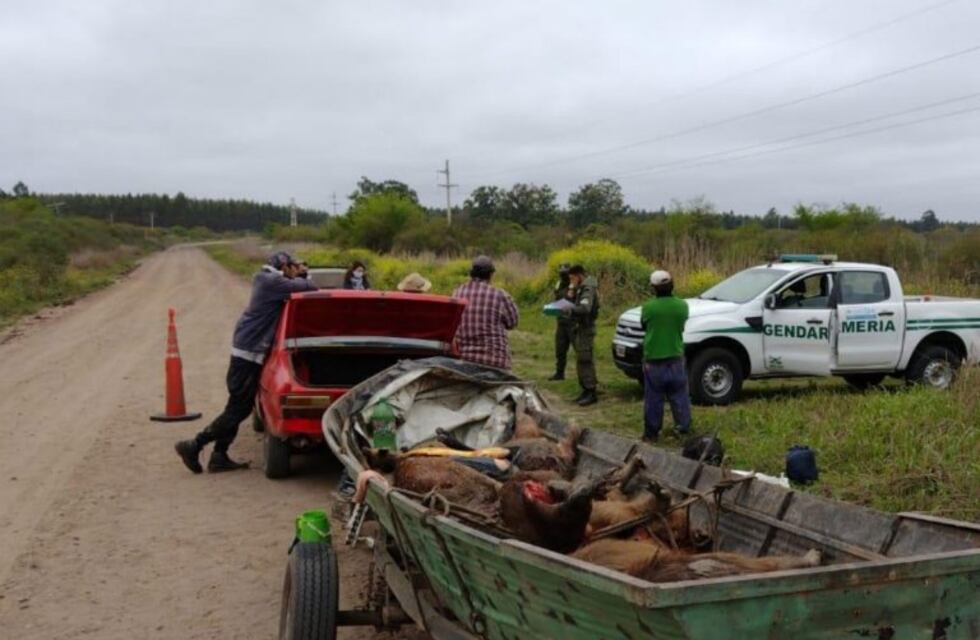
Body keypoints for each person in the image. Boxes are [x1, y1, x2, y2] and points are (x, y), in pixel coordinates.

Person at [174, 252, 318, 473]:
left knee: (237, 405)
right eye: (294, 266)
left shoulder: (269, 280)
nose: (297, 269)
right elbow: (309, 288)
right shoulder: (271, 281)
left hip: (248, 352)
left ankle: (219, 456)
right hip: (247, 354)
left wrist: (299, 272)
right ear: (285, 267)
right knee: (238, 409)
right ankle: (195, 444)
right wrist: (304, 274)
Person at [640, 270, 691, 442]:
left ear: (654, 288)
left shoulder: (648, 307)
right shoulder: (682, 306)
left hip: (654, 359)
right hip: (676, 356)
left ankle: (652, 433)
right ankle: (683, 429)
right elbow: (681, 325)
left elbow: (644, 326)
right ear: (672, 285)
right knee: (680, 395)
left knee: (653, 398)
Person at [452, 255, 519, 370]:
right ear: (490, 275)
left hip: (464, 360)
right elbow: (513, 322)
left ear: (471, 273)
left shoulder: (457, 293)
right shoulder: (500, 295)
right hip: (495, 361)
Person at [563, 265, 599, 406]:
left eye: (572, 278)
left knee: (585, 359)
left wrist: (570, 310)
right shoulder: (581, 287)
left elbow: (585, 308)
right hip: (580, 328)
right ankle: (584, 389)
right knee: (580, 359)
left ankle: (591, 392)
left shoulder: (588, 288)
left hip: (586, 328)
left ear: (579, 275)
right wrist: (572, 290)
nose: (571, 281)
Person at [548, 263, 574, 381]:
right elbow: (557, 298)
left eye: (565, 273)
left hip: (573, 322)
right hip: (561, 321)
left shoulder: (574, 285)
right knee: (560, 349)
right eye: (562, 273)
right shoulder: (559, 284)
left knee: (579, 349)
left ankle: (583, 375)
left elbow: (571, 301)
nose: (563, 275)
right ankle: (559, 373)